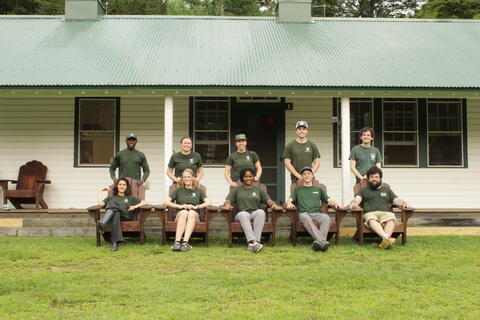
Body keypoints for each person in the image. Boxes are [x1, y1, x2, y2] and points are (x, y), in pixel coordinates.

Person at [349, 167, 412, 249]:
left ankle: (385, 241)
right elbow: (357, 199)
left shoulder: (387, 190)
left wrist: (404, 203)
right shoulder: (364, 190)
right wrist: (353, 203)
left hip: (385, 213)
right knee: (371, 219)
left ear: (380, 178)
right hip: (370, 213)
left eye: (376, 177)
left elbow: (396, 200)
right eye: (371, 177)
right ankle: (386, 238)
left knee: (391, 218)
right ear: (368, 179)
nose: (374, 179)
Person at [222, 168, 282, 253]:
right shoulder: (237, 189)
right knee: (244, 215)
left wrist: (274, 205)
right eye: (246, 177)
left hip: (254, 213)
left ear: (253, 177)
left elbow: (269, 201)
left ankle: (253, 244)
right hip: (241, 213)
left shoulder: (258, 190)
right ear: (242, 178)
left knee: (261, 212)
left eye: (250, 176)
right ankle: (255, 242)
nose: (248, 178)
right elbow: (228, 200)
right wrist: (227, 205)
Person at [285, 167, 343, 252]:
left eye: (309, 173)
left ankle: (319, 242)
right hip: (304, 213)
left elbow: (328, 200)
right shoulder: (298, 190)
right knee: (305, 217)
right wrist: (289, 203)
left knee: (326, 218)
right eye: (305, 174)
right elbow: (288, 200)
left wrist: (336, 204)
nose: (307, 176)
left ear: (312, 175)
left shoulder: (318, 189)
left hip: (317, 214)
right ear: (302, 176)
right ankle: (322, 241)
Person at [165, 169, 211, 252]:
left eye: (189, 177)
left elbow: (209, 203)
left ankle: (185, 242)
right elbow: (165, 201)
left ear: (193, 177)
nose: (186, 179)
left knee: (191, 213)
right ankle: (177, 242)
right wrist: (180, 206)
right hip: (180, 215)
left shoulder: (199, 191)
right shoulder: (178, 190)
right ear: (182, 179)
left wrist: (196, 207)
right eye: (184, 177)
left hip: (194, 216)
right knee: (184, 212)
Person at [97, 178, 146, 251]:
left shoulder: (130, 198)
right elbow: (100, 205)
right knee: (116, 214)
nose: (122, 186)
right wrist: (100, 191)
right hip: (115, 217)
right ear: (117, 186)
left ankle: (104, 223)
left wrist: (135, 206)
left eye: (124, 185)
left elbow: (144, 202)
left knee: (112, 202)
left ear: (126, 187)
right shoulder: (111, 197)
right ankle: (116, 242)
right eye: (120, 184)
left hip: (125, 215)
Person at [284, 121, 321, 187]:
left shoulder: (312, 145)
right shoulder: (290, 145)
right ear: (296, 131)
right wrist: (298, 176)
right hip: (296, 180)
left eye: (304, 129)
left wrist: (310, 174)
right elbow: (287, 163)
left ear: (307, 131)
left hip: (310, 182)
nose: (302, 131)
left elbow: (317, 162)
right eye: (299, 129)